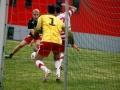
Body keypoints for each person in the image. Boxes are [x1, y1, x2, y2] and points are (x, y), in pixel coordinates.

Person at [34, 5, 65, 82]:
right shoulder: (59, 20)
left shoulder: (42, 17)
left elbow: (37, 29)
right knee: (57, 58)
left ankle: (46, 70)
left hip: (47, 40)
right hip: (58, 41)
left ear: (47, 11)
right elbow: (67, 31)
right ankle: (58, 75)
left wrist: (36, 38)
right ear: (54, 12)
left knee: (37, 59)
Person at [54, 3, 80, 71]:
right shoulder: (67, 13)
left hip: (59, 37)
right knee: (62, 52)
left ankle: (58, 65)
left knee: (58, 52)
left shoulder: (55, 18)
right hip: (68, 35)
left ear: (55, 11)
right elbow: (75, 8)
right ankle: (73, 45)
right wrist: (67, 5)